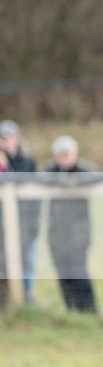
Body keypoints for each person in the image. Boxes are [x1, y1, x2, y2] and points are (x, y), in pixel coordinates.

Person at [41, 136, 103, 313]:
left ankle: (90, 310)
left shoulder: (82, 170)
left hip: (78, 233)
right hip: (56, 233)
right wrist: (60, 181)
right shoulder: (53, 170)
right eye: (60, 155)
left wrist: (72, 183)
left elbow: (100, 176)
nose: (63, 158)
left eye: (67, 154)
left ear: (74, 154)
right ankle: (71, 310)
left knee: (79, 272)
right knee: (63, 274)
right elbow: (39, 177)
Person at [0, 120, 41, 306]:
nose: (3, 143)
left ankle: (26, 298)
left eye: (6, 138)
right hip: (3, 224)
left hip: (25, 222)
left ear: (16, 139)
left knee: (27, 263)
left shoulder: (27, 162)